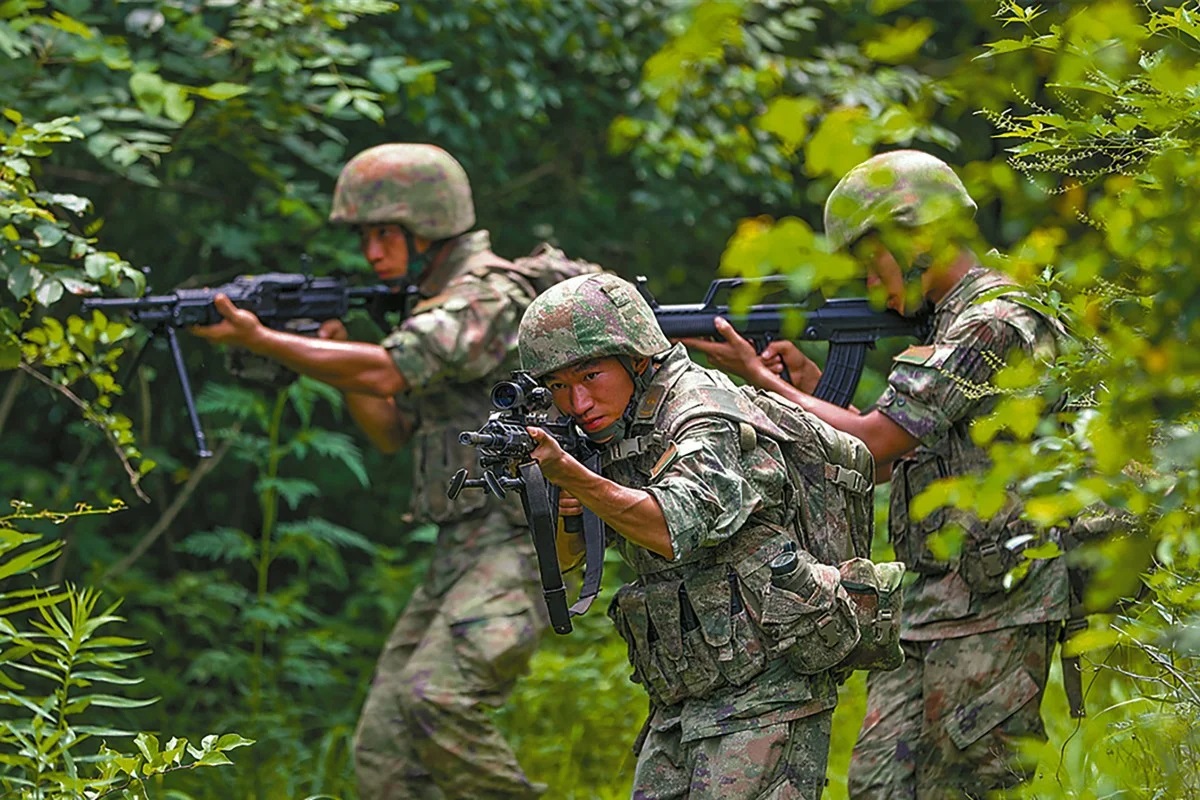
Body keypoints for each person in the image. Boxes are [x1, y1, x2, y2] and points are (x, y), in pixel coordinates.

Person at [678, 149, 1071, 799]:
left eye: (871, 263)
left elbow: (878, 437)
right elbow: (885, 457)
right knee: (877, 786)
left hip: (997, 607)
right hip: (929, 606)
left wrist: (759, 382)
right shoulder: (952, 325)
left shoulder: (996, 322)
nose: (870, 287)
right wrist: (800, 385)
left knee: (969, 786)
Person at [192, 143, 569, 799]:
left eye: (383, 233)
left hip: (523, 538)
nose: (370, 252)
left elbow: (391, 369)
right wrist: (330, 355)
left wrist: (262, 339)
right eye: (364, 236)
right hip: (465, 544)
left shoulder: (485, 295)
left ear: (430, 225)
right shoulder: (433, 300)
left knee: (438, 700)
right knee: (386, 753)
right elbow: (393, 429)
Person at [516, 271, 866, 800]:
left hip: (768, 685)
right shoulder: (612, 426)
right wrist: (563, 500)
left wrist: (575, 478)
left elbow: (674, 524)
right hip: (685, 695)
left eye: (590, 376)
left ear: (636, 357)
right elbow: (568, 563)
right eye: (559, 387)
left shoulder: (700, 409)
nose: (577, 402)